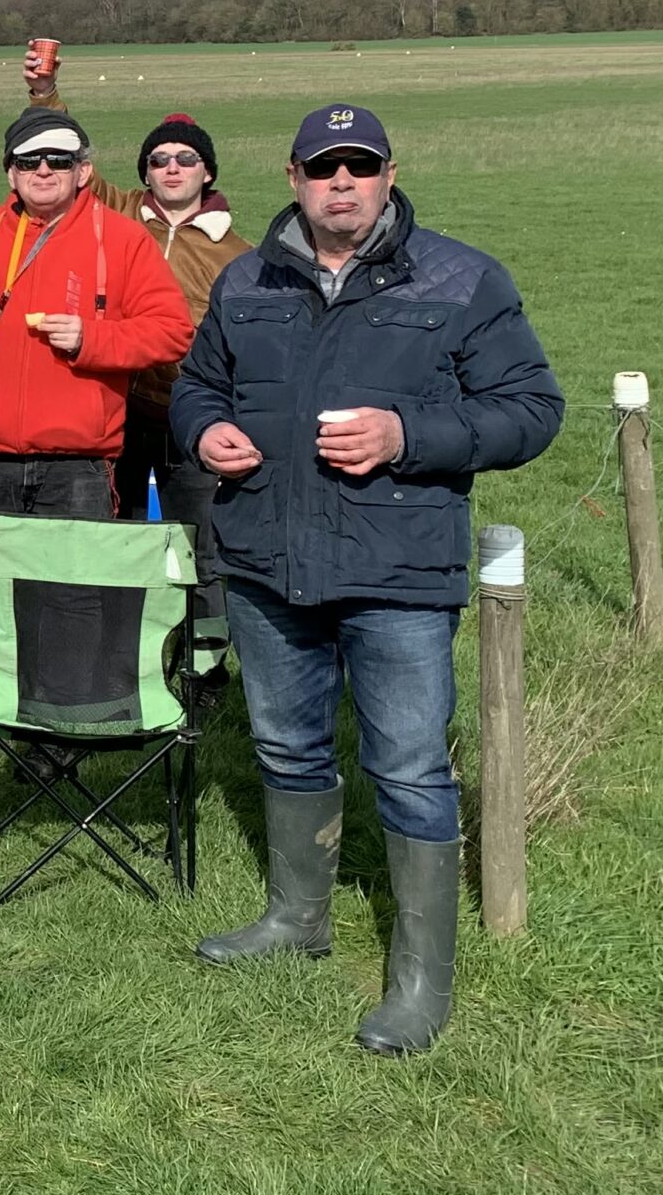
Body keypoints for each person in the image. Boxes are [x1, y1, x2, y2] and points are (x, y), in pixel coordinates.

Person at [173, 103, 562, 1055]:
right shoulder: (247, 279)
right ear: (293, 177)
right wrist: (204, 429)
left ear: (390, 174)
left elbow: (532, 409)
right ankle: (296, 918)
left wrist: (406, 435)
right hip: (266, 562)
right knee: (286, 747)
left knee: (411, 768)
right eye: (322, 167)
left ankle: (421, 980)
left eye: (359, 165)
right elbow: (196, 384)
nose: (340, 182)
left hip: (398, 574)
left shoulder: (461, 278)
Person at [0, 103, 196, 757]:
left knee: (70, 598)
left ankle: (59, 727)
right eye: (28, 160)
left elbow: (172, 330)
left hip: (77, 465)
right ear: (9, 172)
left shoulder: (122, 239)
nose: (43, 170)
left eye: (58, 159)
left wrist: (93, 339)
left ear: (83, 170)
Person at [23, 46, 248, 672]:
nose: (172, 167)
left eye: (186, 159)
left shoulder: (239, 254)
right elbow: (63, 159)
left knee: (201, 546)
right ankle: (116, 662)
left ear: (207, 171)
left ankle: (204, 667)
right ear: (144, 172)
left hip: (192, 413)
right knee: (114, 537)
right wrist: (44, 93)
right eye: (158, 159)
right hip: (115, 405)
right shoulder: (115, 212)